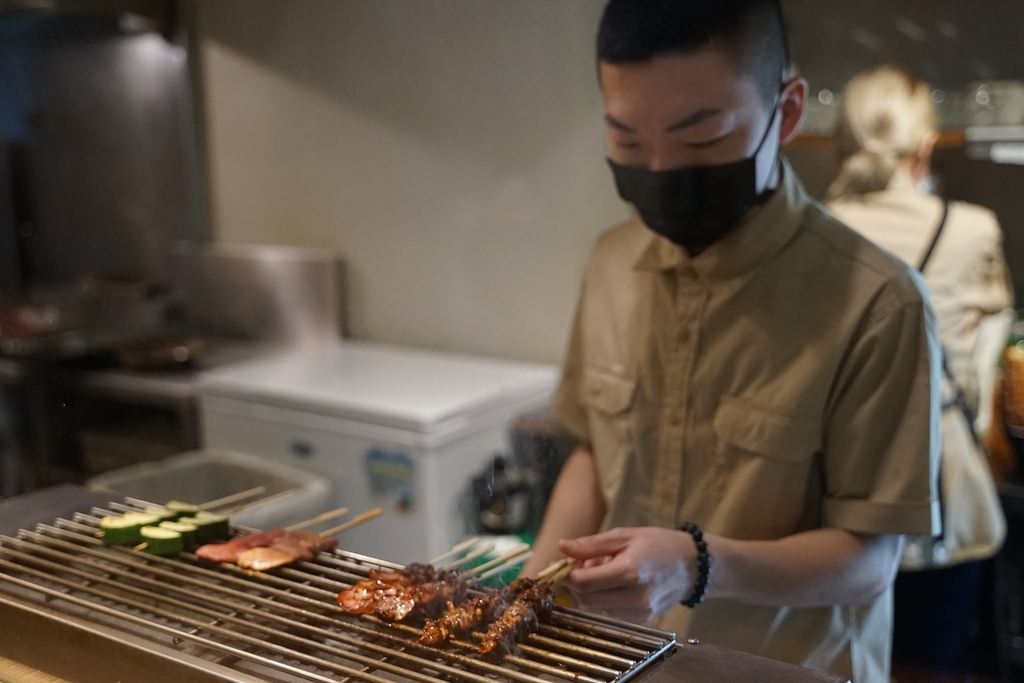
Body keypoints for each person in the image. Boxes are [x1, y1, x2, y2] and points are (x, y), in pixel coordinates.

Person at [519, 2, 941, 682]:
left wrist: (695, 562)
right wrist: (531, 590)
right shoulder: (611, 262)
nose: (660, 170)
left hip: (784, 668)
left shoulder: (878, 301)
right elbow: (597, 451)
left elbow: (869, 560)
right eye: (628, 143)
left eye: (701, 140)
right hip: (621, 661)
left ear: (789, 110)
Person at [825, 65, 1012, 680]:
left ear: (839, 143)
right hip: (941, 499)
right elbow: (990, 351)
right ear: (926, 145)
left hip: (826, 502)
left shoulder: (806, 233)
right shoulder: (972, 228)